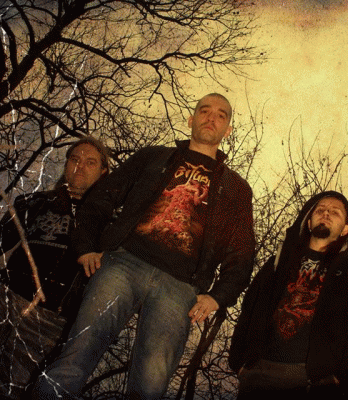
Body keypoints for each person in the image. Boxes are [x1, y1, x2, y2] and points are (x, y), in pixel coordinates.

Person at [33, 93, 256, 400]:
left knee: (151, 383)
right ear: (191, 120)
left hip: (180, 285)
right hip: (125, 263)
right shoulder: (153, 157)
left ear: (228, 130)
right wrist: (85, 247)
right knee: (77, 352)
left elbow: (242, 252)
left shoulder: (237, 189)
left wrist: (218, 297)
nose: (211, 118)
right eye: (204, 111)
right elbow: (102, 197)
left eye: (221, 115)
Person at [0, 137, 109, 399]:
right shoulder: (33, 202)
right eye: (75, 159)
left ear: (103, 173)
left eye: (90, 162)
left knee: (10, 390)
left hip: (49, 319)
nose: (80, 166)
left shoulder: (109, 223)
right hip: (3, 296)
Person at [229, 191, 348, 399]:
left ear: (346, 229)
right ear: (308, 223)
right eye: (320, 210)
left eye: (335, 212)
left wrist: (341, 377)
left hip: (313, 381)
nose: (326, 214)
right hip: (259, 373)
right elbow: (248, 309)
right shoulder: (277, 263)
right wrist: (239, 362)